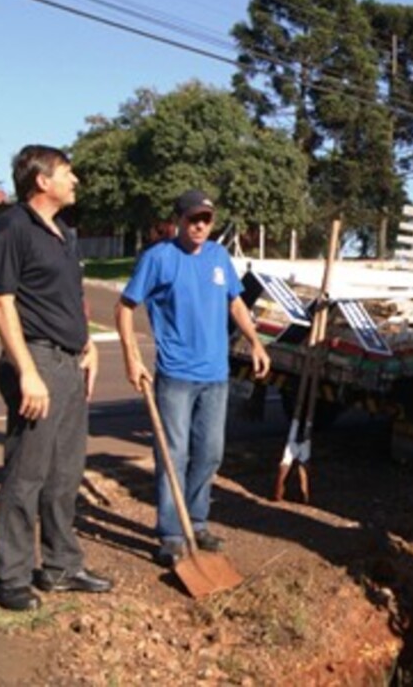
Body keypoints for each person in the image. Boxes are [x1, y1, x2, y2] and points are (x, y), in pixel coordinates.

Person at [0, 145, 113, 611]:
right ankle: (12, 577)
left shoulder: (64, 233)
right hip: (36, 362)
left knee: (65, 473)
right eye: (67, 173)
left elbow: (68, 297)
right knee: (26, 475)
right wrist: (27, 372)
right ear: (42, 180)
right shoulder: (11, 228)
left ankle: (61, 567)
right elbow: (0, 302)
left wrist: (88, 343)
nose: (75, 180)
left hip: (70, 363)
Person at [115, 189, 270, 566]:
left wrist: (255, 342)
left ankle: (197, 522)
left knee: (210, 452)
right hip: (175, 375)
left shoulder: (218, 257)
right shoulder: (158, 258)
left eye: (206, 220)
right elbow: (124, 307)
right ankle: (171, 533)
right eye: (192, 219)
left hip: (216, 375)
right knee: (173, 455)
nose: (200, 226)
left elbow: (235, 302)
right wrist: (131, 358)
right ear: (178, 221)